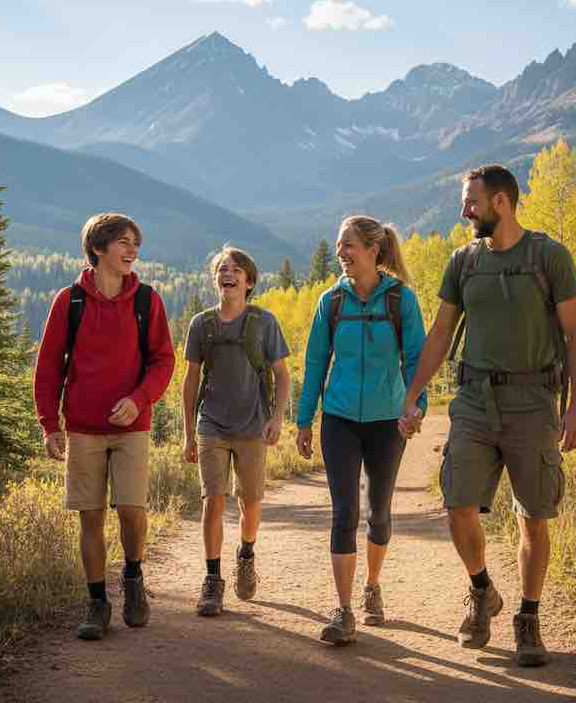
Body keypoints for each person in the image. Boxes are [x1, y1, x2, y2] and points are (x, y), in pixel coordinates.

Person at [400, 164, 576, 667]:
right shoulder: (463, 262)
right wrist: (413, 395)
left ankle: (528, 619)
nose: (465, 211)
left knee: (534, 517)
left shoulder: (549, 257)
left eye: (472, 202)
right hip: (474, 403)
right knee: (458, 502)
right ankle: (482, 591)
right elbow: (441, 334)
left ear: (501, 202)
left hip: (533, 404)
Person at [34, 213, 175, 640]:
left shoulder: (146, 301)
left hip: (132, 427)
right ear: (98, 248)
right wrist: (49, 423)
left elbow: (163, 361)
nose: (132, 250)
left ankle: (133, 578)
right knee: (90, 518)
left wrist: (138, 400)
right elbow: (48, 367)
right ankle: (97, 603)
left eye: (135, 242)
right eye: (123, 242)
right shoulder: (69, 302)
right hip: (82, 428)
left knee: (133, 511)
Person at [296, 215, 427, 645]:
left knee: (379, 513)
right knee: (343, 512)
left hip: (387, 421)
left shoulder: (400, 300)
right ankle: (345, 609)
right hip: (338, 419)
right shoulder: (331, 302)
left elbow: (416, 358)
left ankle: (372, 585)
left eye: (348, 245)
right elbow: (316, 362)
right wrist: (303, 420)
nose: (341, 253)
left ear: (374, 250)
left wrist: (415, 407)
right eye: (338, 246)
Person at [182, 246, 290, 617]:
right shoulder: (201, 324)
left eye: (235, 269)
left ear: (249, 281)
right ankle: (212, 580)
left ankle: (246, 552)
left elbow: (282, 375)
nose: (227, 274)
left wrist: (276, 418)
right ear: (216, 280)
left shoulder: (264, 323)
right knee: (213, 499)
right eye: (221, 270)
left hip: (253, 425)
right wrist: (187, 432)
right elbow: (191, 378)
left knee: (251, 502)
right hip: (211, 423)